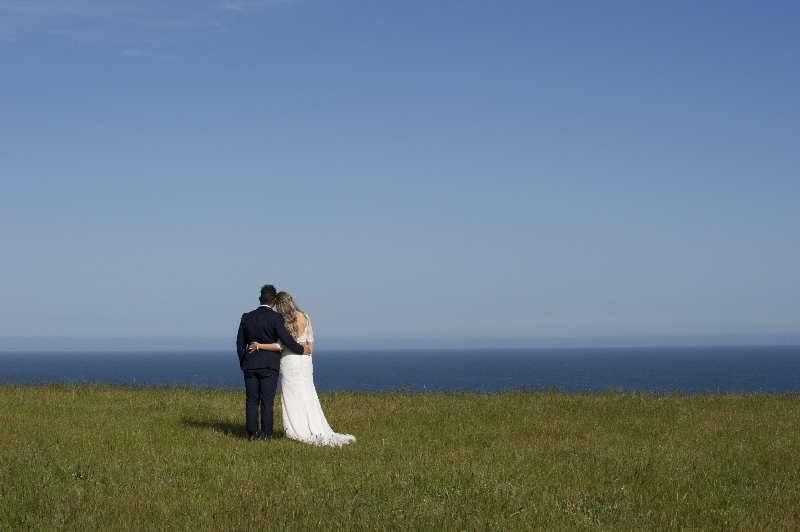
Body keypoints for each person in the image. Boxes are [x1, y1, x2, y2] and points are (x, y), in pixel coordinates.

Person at [248, 291, 355, 446]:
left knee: (292, 396)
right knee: (307, 393)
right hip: (305, 361)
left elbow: (280, 345)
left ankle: (296, 429)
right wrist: (307, 352)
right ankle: (314, 426)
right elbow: (310, 340)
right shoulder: (304, 316)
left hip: (289, 360)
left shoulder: (282, 320)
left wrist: (259, 345)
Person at [236, 284, 309, 440]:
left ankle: (251, 434)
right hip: (269, 365)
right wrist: (301, 349)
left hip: (250, 364)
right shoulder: (275, 318)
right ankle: (267, 434)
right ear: (274, 301)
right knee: (267, 402)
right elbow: (286, 339)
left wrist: (244, 361)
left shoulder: (246, 317)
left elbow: (240, 343)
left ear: (259, 299)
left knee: (251, 400)